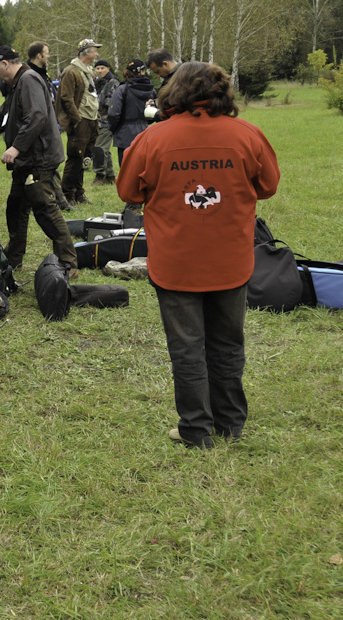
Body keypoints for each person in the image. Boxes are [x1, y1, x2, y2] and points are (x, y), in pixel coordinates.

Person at [116, 62, 279, 449]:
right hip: (231, 260)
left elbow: (128, 192)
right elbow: (268, 186)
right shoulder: (248, 135)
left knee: (187, 347)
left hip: (176, 263)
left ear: (174, 92)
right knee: (228, 343)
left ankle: (195, 429)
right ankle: (230, 423)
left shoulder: (153, 139)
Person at [0, 46, 76, 276]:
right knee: (16, 208)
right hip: (27, 162)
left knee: (45, 211)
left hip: (38, 159)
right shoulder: (17, 84)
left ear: (6, 64)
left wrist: (16, 147)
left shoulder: (28, 80)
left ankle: (68, 262)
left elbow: (37, 115)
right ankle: (13, 258)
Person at [27, 40, 73, 212]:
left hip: (49, 127)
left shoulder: (42, 74)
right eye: (47, 53)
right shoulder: (30, 76)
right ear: (39, 55)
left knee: (52, 165)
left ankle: (59, 200)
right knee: (40, 168)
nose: (49, 56)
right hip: (38, 131)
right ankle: (43, 202)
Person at [57, 38, 101, 206]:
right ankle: (67, 195)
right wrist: (76, 119)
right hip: (80, 120)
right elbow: (66, 98)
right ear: (87, 52)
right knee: (75, 157)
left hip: (90, 119)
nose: (97, 53)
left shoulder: (86, 71)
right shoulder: (71, 71)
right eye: (95, 50)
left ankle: (79, 193)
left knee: (84, 158)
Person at [107, 59, 157, 167]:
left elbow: (113, 113)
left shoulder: (122, 90)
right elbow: (154, 113)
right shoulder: (152, 91)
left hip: (125, 135)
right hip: (146, 134)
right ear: (142, 72)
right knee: (144, 168)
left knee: (126, 170)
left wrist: (113, 128)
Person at [91, 58, 119, 185]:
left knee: (99, 148)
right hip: (96, 120)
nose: (100, 70)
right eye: (97, 68)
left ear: (108, 69)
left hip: (107, 121)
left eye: (103, 68)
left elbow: (113, 104)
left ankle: (99, 175)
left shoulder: (113, 83)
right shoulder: (96, 83)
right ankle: (110, 176)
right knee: (104, 150)